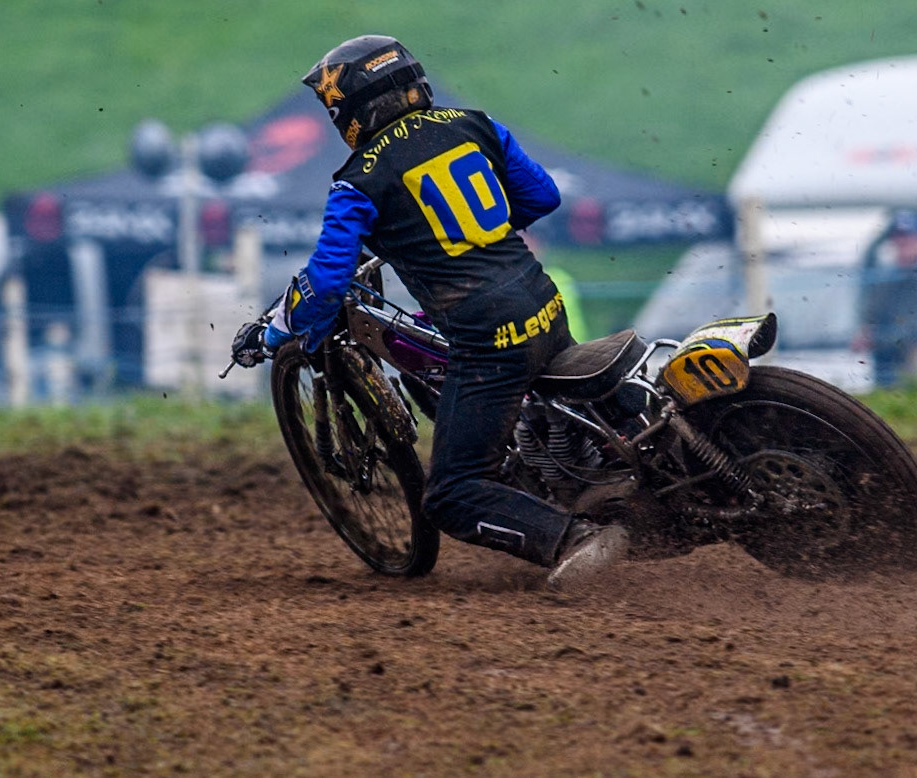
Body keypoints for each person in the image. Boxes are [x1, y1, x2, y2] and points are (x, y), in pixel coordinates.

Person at [230, 35, 627, 588]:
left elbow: (323, 287)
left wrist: (271, 337)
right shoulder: (474, 123)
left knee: (449, 495)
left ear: (349, 108)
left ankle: (574, 538)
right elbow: (542, 197)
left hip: (489, 339)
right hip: (544, 305)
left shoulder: (357, 179)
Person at [853, 210, 917, 388]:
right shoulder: (888, 279)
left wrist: (877, 338)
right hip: (887, 361)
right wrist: (866, 331)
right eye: (899, 243)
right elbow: (872, 311)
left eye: (909, 242)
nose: (904, 248)